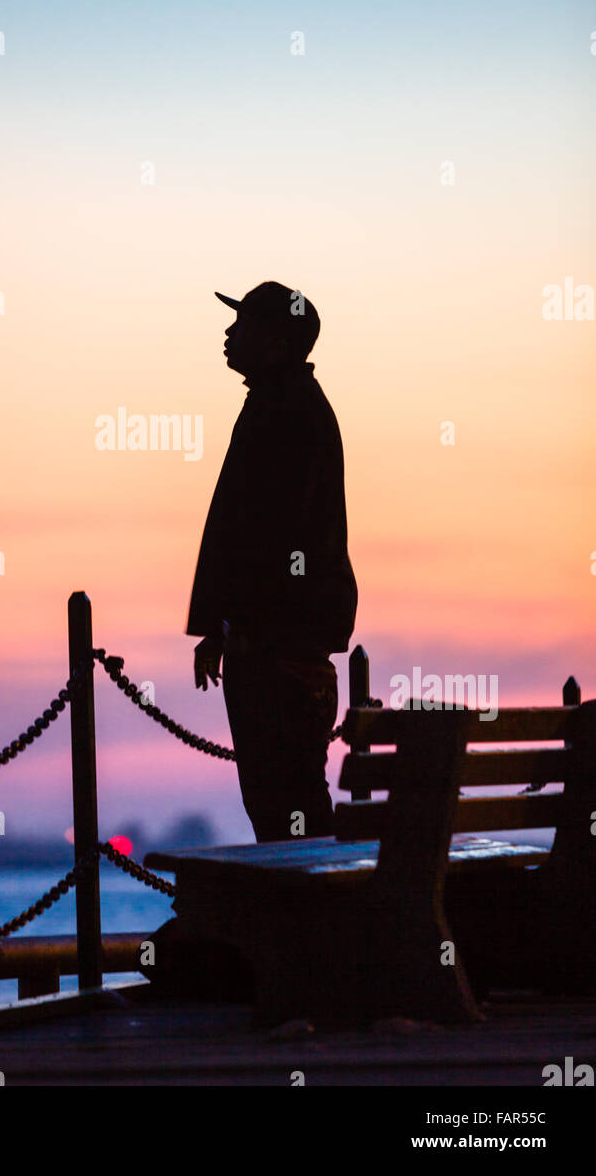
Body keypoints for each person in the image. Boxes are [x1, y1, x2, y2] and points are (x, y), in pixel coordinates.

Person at [187, 281, 358, 841]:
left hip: (276, 648)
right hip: (276, 642)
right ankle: (311, 920)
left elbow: (267, 535)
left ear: (279, 340)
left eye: (244, 324)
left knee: (286, 803)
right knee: (288, 799)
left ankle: (310, 923)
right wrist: (222, 627)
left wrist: (238, 627)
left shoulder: (284, 411)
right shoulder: (281, 404)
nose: (229, 333)